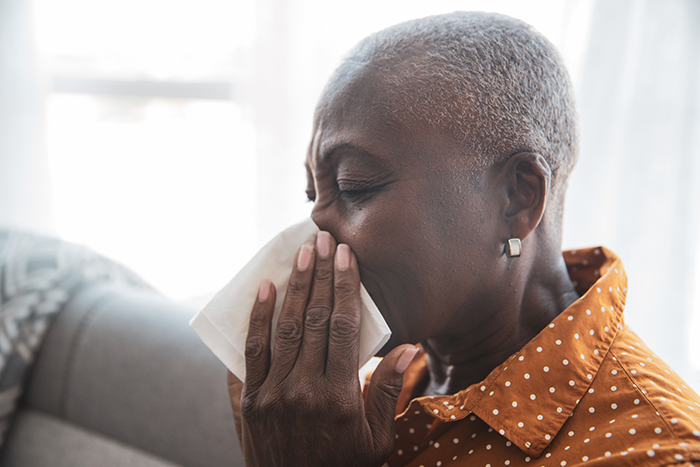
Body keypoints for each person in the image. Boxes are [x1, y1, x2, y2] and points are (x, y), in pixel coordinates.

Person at [227, 11, 700, 467]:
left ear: (517, 197)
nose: (315, 235)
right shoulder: (357, 397)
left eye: (354, 185)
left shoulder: (655, 452)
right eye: (313, 195)